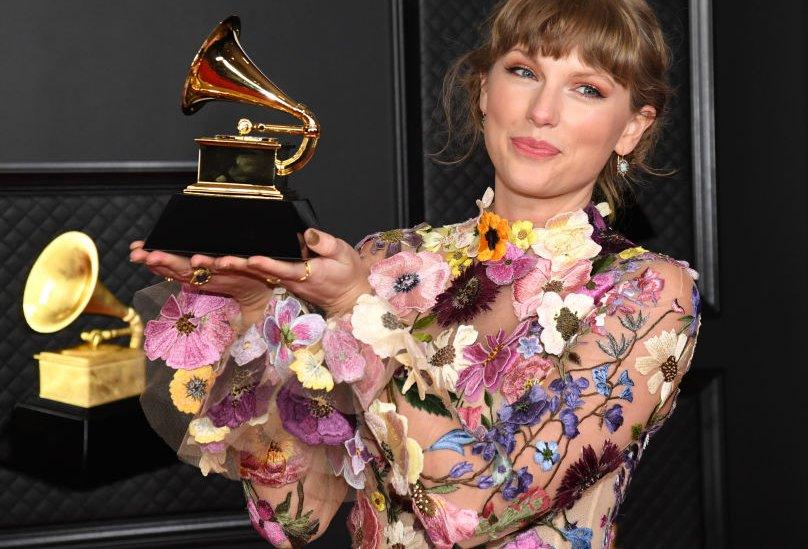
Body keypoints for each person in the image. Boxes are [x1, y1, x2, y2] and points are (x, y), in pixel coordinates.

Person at [128, 0, 702, 547]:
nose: (542, 111)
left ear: (631, 127)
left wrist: (355, 310)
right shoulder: (387, 263)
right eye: (524, 71)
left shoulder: (645, 292)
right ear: (484, 92)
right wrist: (253, 309)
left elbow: (480, 509)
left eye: (587, 88)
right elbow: (294, 517)